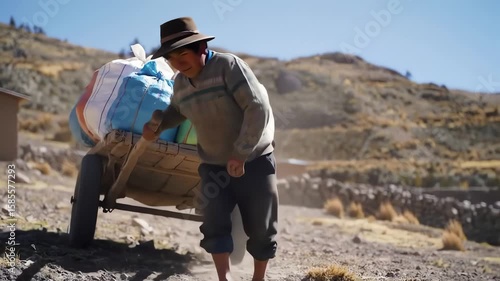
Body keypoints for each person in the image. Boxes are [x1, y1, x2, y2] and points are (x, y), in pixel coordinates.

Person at [143, 17, 279, 281]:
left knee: (262, 227)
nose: (179, 62)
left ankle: (258, 278)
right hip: (214, 167)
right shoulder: (181, 83)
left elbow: (257, 107)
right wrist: (157, 125)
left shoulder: (229, 67)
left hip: (254, 159)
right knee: (215, 222)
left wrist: (241, 152)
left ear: (201, 48)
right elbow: (177, 111)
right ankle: (223, 278)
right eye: (172, 58)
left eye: (184, 54)